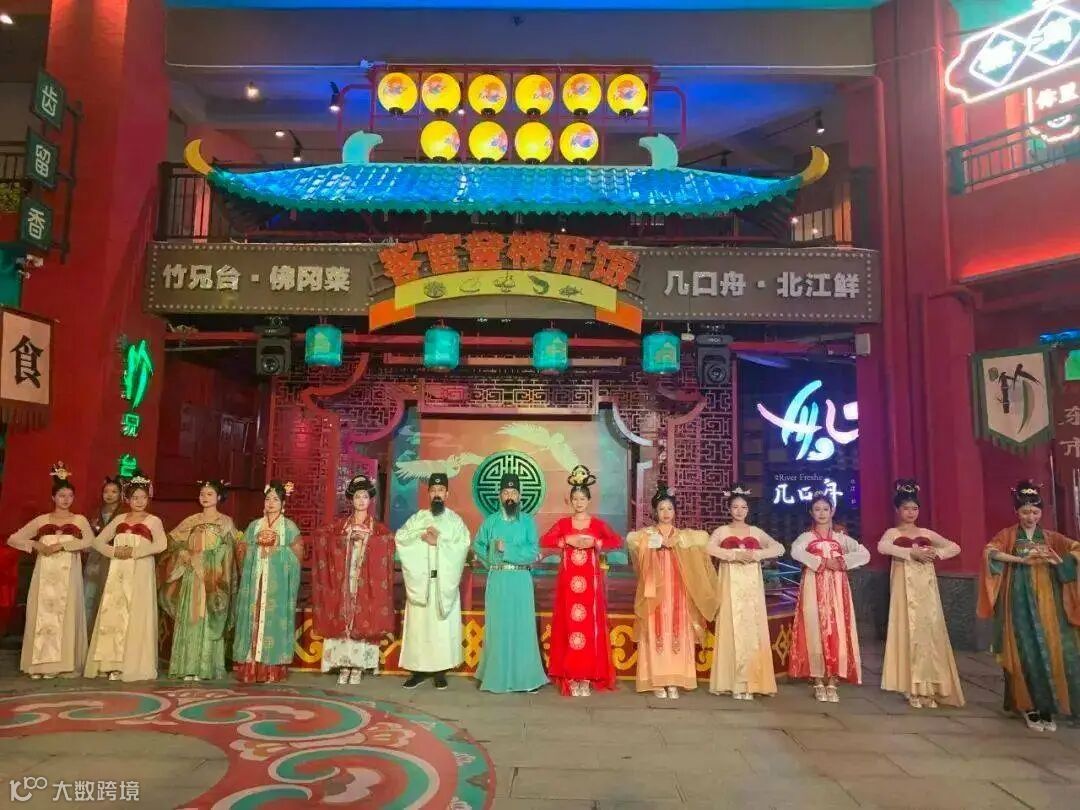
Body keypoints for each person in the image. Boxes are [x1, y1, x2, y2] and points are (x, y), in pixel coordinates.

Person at [978, 481, 1080, 732]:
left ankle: (1047, 706)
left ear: (1041, 512)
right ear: (1017, 512)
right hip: (1018, 600)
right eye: (1025, 512)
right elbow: (990, 552)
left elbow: (1076, 550)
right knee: (1023, 649)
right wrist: (1018, 559)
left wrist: (1059, 561)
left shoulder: (1051, 537)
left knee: (1052, 648)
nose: (1030, 517)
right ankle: (1028, 707)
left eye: (1035, 512)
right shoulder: (1009, 535)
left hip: (1049, 603)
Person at [878, 479, 964, 708]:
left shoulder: (926, 533)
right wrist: (910, 553)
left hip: (926, 589)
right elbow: (882, 547)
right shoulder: (893, 533)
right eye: (906, 508)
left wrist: (935, 553)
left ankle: (929, 686)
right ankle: (911, 687)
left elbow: (954, 547)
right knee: (907, 631)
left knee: (929, 633)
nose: (910, 512)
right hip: (904, 589)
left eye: (914, 508)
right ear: (897, 510)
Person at [627, 484, 718, 699]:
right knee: (656, 631)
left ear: (675, 511)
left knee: (678, 631)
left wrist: (676, 543)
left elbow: (703, 539)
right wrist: (653, 545)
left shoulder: (683, 536)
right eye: (661, 509)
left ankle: (675, 679)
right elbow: (631, 541)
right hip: (655, 594)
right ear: (655, 512)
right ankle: (657, 680)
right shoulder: (647, 535)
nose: (666, 513)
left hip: (678, 591)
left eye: (669, 508)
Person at [6, 463, 93, 679]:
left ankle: (60, 664)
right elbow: (13, 539)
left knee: (65, 616)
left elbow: (90, 542)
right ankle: (39, 664)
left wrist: (63, 546)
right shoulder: (42, 520)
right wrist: (37, 545)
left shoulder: (79, 520)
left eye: (70, 496)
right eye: (62, 495)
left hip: (68, 576)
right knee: (42, 615)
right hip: (44, 576)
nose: (66, 500)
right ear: (53, 497)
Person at [539, 465, 620, 697]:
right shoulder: (564, 524)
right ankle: (571, 676)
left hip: (590, 587)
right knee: (570, 628)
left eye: (582, 498)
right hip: (568, 585)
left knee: (587, 629)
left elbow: (616, 541)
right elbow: (545, 539)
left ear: (589, 501)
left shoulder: (596, 525)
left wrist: (596, 543)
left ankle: (586, 677)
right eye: (575, 499)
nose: (579, 502)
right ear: (570, 501)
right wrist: (566, 540)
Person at [312, 473, 395, 685]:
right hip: (344, 579)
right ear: (351, 499)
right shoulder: (341, 526)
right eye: (357, 496)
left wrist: (368, 540)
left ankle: (358, 665)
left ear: (370, 500)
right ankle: (343, 664)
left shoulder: (377, 528)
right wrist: (347, 539)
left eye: (365, 496)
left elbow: (388, 541)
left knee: (363, 616)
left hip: (365, 583)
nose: (361, 501)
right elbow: (321, 536)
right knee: (343, 614)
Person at [85, 474, 168, 682]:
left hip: (140, 570)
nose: (139, 501)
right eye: (135, 498)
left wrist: (135, 552)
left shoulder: (154, 520)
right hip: (118, 571)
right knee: (114, 612)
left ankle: (131, 663)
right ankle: (110, 663)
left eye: (143, 497)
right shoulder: (119, 519)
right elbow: (97, 542)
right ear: (127, 499)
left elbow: (161, 545)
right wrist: (114, 551)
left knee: (135, 612)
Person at [788, 492, 869, 702]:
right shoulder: (806, 537)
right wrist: (822, 562)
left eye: (825, 509)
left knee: (838, 627)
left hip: (837, 588)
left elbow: (864, 553)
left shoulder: (841, 538)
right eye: (817, 509)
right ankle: (817, 680)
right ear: (811, 512)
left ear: (832, 511)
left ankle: (833, 681)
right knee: (813, 627)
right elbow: (795, 552)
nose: (822, 513)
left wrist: (841, 562)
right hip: (813, 585)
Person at [706, 484, 784, 701]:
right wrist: (733, 555)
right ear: (728, 509)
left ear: (748, 510)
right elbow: (709, 548)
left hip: (751, 587)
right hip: (730, 584)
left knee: (752, 628)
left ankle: (752, 682)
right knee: (731, 627)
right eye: (735, 507)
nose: (739, 511)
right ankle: (732, 682)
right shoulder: (722, 531)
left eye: (743, 507)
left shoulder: (756, 532)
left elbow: (778, 548)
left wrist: (756, 555)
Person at [473, 473, 549, 693]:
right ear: (500, 496)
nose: (509, 497)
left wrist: (507, 550)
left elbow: (533, 551)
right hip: (498, 579)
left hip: (520, 579)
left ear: (519, 496)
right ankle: (496, 677)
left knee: (522, 628)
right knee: (498, 628)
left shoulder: (527, 522)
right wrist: (492, 560)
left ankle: (526, 678)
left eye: (513, 493)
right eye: (505, 492)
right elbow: (477, 545)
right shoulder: (491, 521)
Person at [395, 472, 471, 690]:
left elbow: (463, 545)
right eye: (433, 490)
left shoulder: (454, 521)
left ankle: (440, 671)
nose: (437, 494)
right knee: (420, 630)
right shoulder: (419, 518)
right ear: (428, 493)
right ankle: (418, 671)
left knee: (441, 630)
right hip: (421, 583)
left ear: (447, 494)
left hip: (442, 584)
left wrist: (439, 541)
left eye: (441, 490)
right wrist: (422, 534)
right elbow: (401, 537)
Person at [159, 480, 236, 682]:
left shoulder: (225, 522)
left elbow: (229, 551)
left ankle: (204, 668)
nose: (205, 497)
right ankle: (186, 666)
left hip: (211, 579)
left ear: (219, 497)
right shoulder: (191, 520)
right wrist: (183, 553)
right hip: (190, 575)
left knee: (206, 617)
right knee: (189, 617)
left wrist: (208, 559)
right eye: (202, 493)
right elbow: (172, 543)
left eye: (210, 494)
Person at [232, 480, 303, 683]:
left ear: (283, 504)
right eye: (268, 499)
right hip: (255, 582)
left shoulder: (289, 527)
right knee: (252, 619)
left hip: (277, 585)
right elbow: (242, 550)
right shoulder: (254, 526)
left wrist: (277, 550)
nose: (271, 503)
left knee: (273, 621)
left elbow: (297, 555)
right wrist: (255, 550)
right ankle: (250, 667)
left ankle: (272, 669)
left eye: (275, 499)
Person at [83, 476, 123, 630]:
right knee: (90, 593)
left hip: (113, 556)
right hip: (95, 556)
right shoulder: (96, 512)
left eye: (114, 491)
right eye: (106, 491)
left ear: (120, 494)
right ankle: (87, 631)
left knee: (109, 593)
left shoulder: (124, 514)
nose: (109, 495)